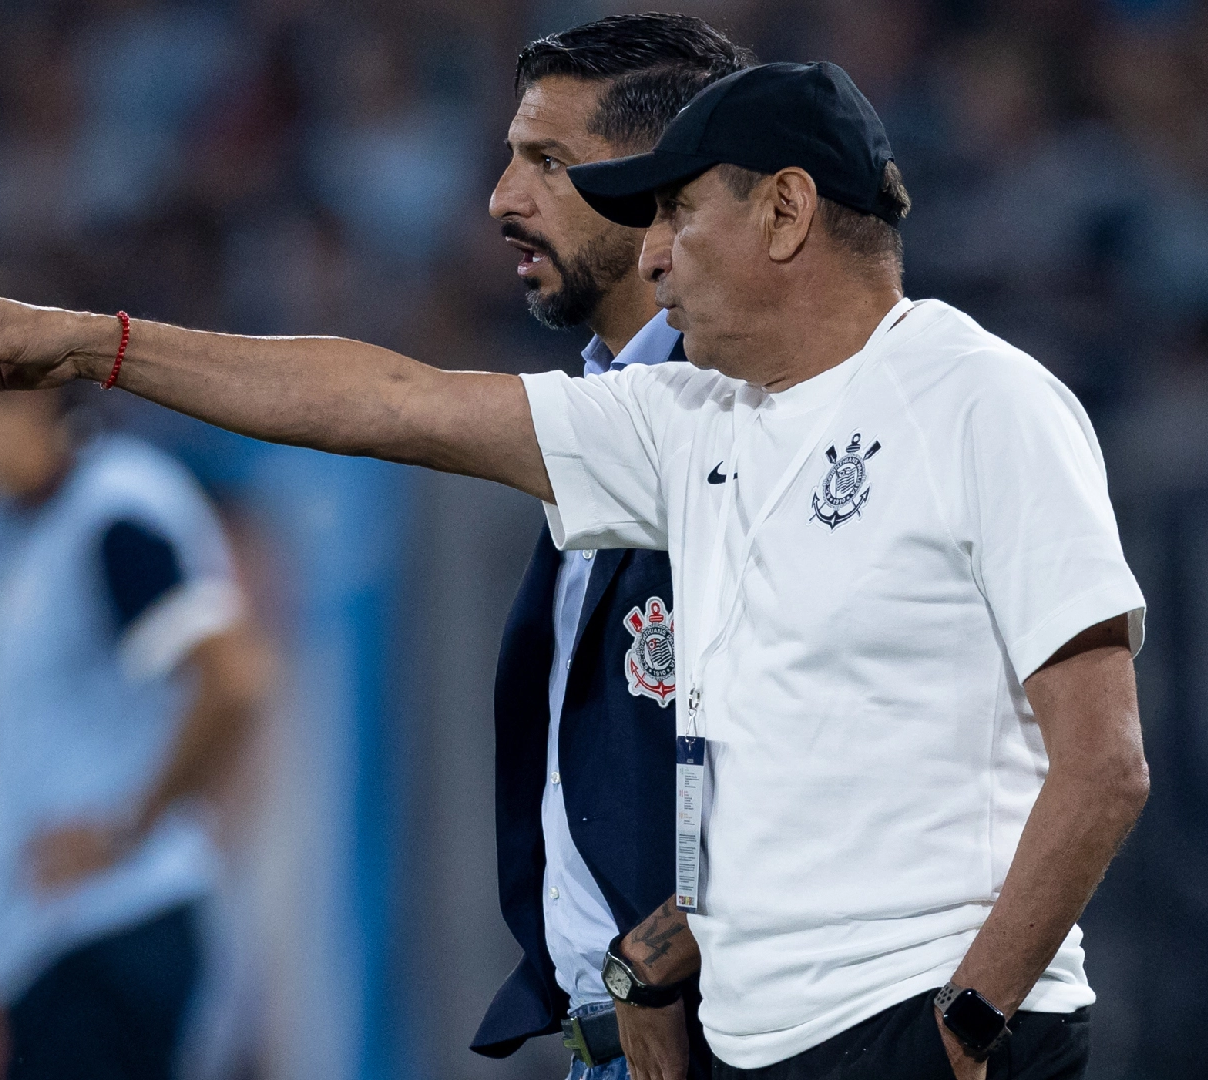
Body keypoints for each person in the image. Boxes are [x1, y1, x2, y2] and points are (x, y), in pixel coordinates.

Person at [0, 59, 1150, 1080]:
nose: (655, 255)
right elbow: (388, 400)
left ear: (785, 211)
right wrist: (98, 343)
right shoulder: (696, 420)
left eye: (677, 213)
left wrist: (973, 1021)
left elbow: (1103, 763)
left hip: (924, 1025)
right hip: (760, 1043)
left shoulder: (982, 401)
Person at [477, 17, 748, 1080]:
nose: (503, 198)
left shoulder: (749, 412)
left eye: (548, 162)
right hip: (610, 1047)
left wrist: (668, 947)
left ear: (659, 184)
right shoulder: (606, 400)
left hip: (733, 1041)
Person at [0, 367, 269, 1080]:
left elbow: (234, 681)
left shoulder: (111, 513)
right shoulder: (30, 528)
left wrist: (130, 828)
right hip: (61, 951)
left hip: (108, 939)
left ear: (26, 398)